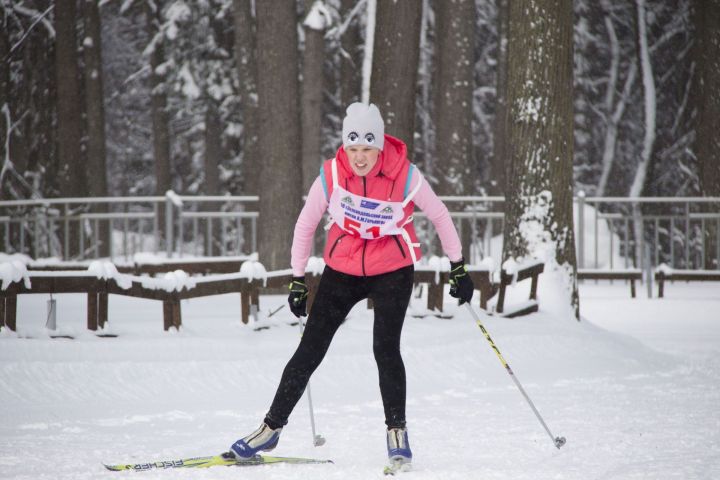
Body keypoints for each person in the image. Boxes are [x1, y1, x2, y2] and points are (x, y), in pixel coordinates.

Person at [229, 102, 474, 466]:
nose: (360, 157)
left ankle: (397, 432)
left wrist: (458, 266)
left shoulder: (405, 175)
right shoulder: (331, 175)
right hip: (342, 269)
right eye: (353, 148)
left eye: (367, 149)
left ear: (379, 147)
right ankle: (270, 429)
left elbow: (439, 214)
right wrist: (298, 278)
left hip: (392, 268)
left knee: (385, 348)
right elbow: (305, 224)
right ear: (345, 146)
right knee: (310, 349)